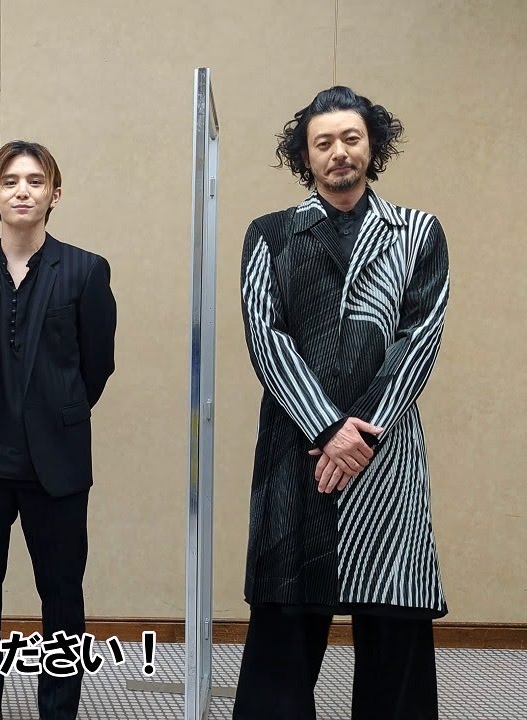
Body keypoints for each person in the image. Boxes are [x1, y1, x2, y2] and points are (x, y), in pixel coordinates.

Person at [234, 86, 450, 720]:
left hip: (385, 457)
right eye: (323, 142)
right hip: (298, 453)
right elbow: (265, 337)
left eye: (351, 138)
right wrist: (329, 429)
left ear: (372, 145)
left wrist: (363, 432)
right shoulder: (270, 234)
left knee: (394, 620)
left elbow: (420, 336)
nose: (338, 153)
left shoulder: (418, 233)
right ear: (304, 156)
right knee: (284, 622)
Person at [0, 140, 117, 720]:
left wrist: (58, 411)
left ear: (54, 194)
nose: (22, 190)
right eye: (10, 181)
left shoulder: (86, 270)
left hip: (56, 463)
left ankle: (58, 711)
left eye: (35, 181)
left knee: (62, 596)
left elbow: (97, 365)